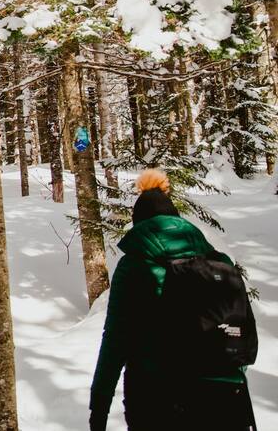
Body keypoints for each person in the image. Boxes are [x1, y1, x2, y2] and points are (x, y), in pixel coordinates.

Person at [89, 170, 257, 431]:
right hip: (226, 397)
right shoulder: (218, 262)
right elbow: (239, 330)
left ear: (139, 223)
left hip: (158, 398)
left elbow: (115, 340)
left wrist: (98, 408)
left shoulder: (134, 265)